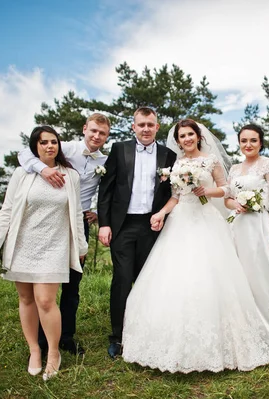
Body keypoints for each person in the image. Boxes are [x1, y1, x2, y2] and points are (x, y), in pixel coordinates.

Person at [121, 119, 269, 373]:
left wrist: (206, 190)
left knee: (211, 277)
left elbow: (225, 188)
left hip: (207, 221)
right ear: (178, 139)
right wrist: (161, 213)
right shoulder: (176, 164)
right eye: (181, 135)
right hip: (180, 222)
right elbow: (175, 196)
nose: (186, 139)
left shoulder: (211, 160)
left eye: (190, 134)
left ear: (198, 137)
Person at [0, 126, 88, 380]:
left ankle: (54, 351)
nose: (50, 146)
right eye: (44, 142)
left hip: (55, 244)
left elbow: (76, 213)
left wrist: (82, 246)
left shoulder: (70, 176)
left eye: (54, 142)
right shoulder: (22, 174)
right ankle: (34, 350)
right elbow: (7, 211)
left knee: (45, 300)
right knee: (27, 299)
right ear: (35, 146)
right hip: (22, 244)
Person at [18, 113, 110, 356]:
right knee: (43, 282)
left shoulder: (106, 159)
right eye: (93, 131)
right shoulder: (65, 147)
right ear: (84, 129)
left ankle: (66, 336)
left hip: (79, 221)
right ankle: (41, 338)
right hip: (51, 220)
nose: (96, 136)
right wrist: (42, 170)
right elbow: (24, 154)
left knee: (72, 284)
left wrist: (98, 212)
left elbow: (111, 190)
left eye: (102, 133)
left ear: (107, 136)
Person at [97, 107, 177, 359]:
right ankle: (118, 337)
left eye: (150, 125)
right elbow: (106, 189)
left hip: (152, 226)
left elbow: (172, 192)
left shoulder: (169, 156)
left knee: (148, 281)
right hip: (122, 225)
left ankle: (145, 333)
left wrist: (162, 217)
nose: (145, 129)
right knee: (122, 279)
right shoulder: (120, 150)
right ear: (133, 127)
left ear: (157, 127)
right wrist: (104, 223)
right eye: (141, 124)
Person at [225, 124, 269, 346]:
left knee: (260, 273)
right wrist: (235, 203)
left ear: (261, 142)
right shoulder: (233, 169)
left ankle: (264, 325)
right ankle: (241, 326)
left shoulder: (268, 165)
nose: (248, 145)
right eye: (244, 141)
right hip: (236, 225)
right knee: (237, 274)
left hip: (258, 225)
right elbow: (227, 199)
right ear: (239, 143)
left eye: (253, 140)